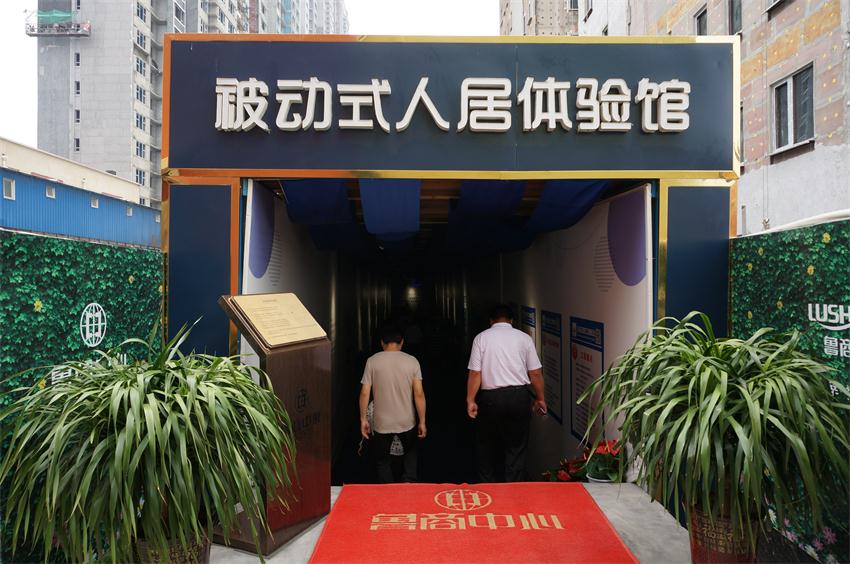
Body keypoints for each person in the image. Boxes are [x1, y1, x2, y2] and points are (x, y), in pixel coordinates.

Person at [466, 304, 546, 482]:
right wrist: (540, 398)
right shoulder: (524, 338)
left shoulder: (481, 338)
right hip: (518, 397)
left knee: (485, 445)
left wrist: (470, 400)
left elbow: (475, 373)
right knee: (516, 448)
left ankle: (488, 486)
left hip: (490, 399)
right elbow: (535, 373)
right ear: (512, 320)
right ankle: (513, 488)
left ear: (490, 320)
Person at [359, 324, 426, 483]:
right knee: (410, 455)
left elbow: (365, 393)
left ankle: (387, 489)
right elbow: (418, 393)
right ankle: (409, 483)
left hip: (382, 422)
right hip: (407, 421)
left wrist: (363, 419)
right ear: (402, 342)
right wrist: (422, 421)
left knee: (382, 461)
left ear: (382, 343)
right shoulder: (412, 361)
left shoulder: (372, 361)